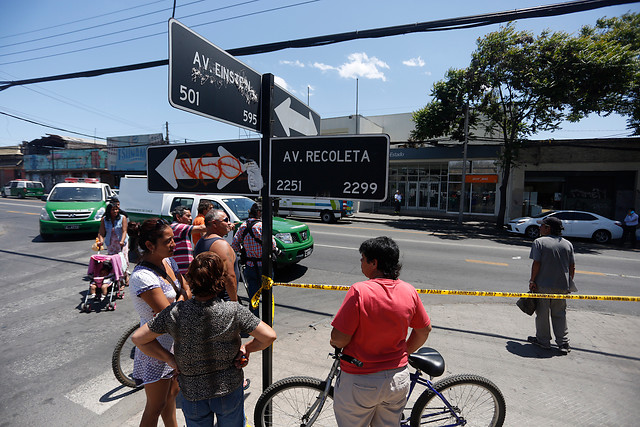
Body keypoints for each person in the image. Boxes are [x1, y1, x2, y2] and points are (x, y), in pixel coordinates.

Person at [131, 252, 276, 427]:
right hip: (228, 389)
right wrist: (247, 348)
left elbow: (138, 339)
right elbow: (269, 336)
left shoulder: (175, 312)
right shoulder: (234, 310)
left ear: (191, 280)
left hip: (193, 394)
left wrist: (171, 360)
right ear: (220, 281)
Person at [330, 236, 432, 427]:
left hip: (361, 380)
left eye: (363, 258)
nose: (360, 263)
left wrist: (335, 342)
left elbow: (339, 338)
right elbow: (424, 330)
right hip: (398, 379)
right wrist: (403, 353)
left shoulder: (360, 291)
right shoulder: (409, 291)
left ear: (374, 263)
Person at [128, 218, 191, 427]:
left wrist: (181, 297)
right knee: (155, 406)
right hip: (155, 347)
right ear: (149, 245)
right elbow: (169, 314)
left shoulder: (168, 262)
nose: (174, 244)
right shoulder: (142, 277)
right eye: (168, 241)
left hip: (173, 340)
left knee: (172, 395)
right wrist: (182, 297)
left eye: (173, 239)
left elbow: (186, 291)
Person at [528, 216, 575, 355]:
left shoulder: (539, 242)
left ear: (548, 228)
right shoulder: (567, 244)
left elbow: (537, 263)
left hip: (543, 285)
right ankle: (563, 342)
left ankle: (543, 341)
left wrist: (532, 281)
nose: (539, 228)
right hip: (561, 287)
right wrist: (569, 283)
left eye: (542, 225)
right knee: (560, 313)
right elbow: (572, 266)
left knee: (542, 313)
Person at [231, 203, 276, 316]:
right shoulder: (262, 226)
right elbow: (272, 245)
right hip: (264, 266)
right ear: (259, 213)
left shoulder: (243, 226)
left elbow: (235, 245)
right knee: (267, 295)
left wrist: (244, 250)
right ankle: (267, 323)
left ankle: (255, 323)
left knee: (253, 295)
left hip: (250, 266)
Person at [193, 210, 239, 301]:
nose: (229, 223)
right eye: (226, 220)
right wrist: (234, 302)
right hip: (223, 300)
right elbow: (229, 276)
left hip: (207, 299)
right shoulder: (221, 245)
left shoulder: (201, 241)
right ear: (214, 224)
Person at [170, 205, 206, 275]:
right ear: (178, 217)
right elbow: (202, 228)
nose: (191, 218)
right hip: (180, 271)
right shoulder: (178, 227)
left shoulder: (181, 229)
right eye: (188, 216)